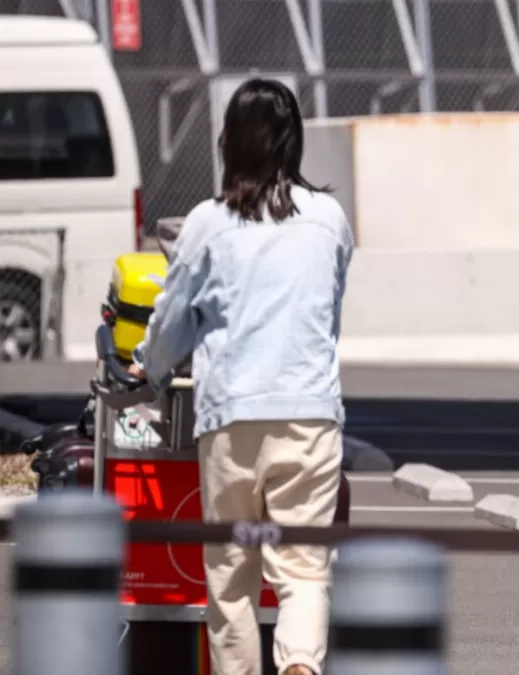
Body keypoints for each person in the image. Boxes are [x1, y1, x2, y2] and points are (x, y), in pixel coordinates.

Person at [128, 78, 354, 675]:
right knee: (303, 570)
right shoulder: (330, 218)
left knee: (231, 579)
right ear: (293, 142)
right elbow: (328, 312)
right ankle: (301, 665)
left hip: (232, 417)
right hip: (309, 413)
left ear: (231, 143)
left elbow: (173, 319)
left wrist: (147, 367)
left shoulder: (209, 222)